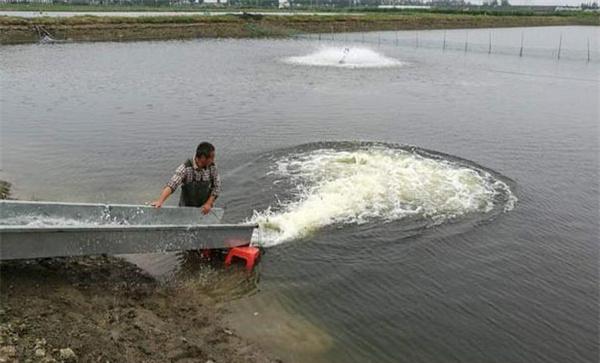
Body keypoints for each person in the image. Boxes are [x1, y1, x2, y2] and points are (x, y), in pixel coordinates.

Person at [151, 142, 221, 214]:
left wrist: (209, 203)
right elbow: (172, 185)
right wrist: (160, 201)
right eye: (211, 157)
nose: (213, 160)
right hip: (185, 208)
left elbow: (216, 187)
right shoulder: (185, 168)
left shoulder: (212, 167)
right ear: (203, 157)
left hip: (204, 209)